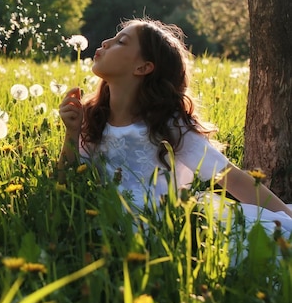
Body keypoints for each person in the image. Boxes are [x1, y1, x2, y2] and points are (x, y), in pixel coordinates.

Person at [57, 17, 292, 235]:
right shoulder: (93, 118)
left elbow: (233, 179)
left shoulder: (168, 127)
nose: (106, 42)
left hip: (168, 231)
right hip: (106, 232)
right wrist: (72, 132)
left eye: (122, 41)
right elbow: (63, 183)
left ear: (143, 67)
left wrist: (287, 216)